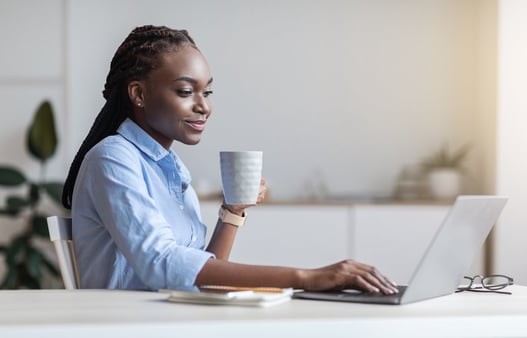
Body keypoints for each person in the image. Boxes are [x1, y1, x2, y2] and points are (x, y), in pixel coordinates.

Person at [62, 25, 398, 294]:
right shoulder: (112, 159)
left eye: (206, 92)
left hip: (171, 322)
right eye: (185, 91)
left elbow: (200, 275)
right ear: (138, 93)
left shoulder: (170, 166)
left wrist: (233, 212)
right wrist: (305, 277)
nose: (204, 106)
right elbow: (161, 265)